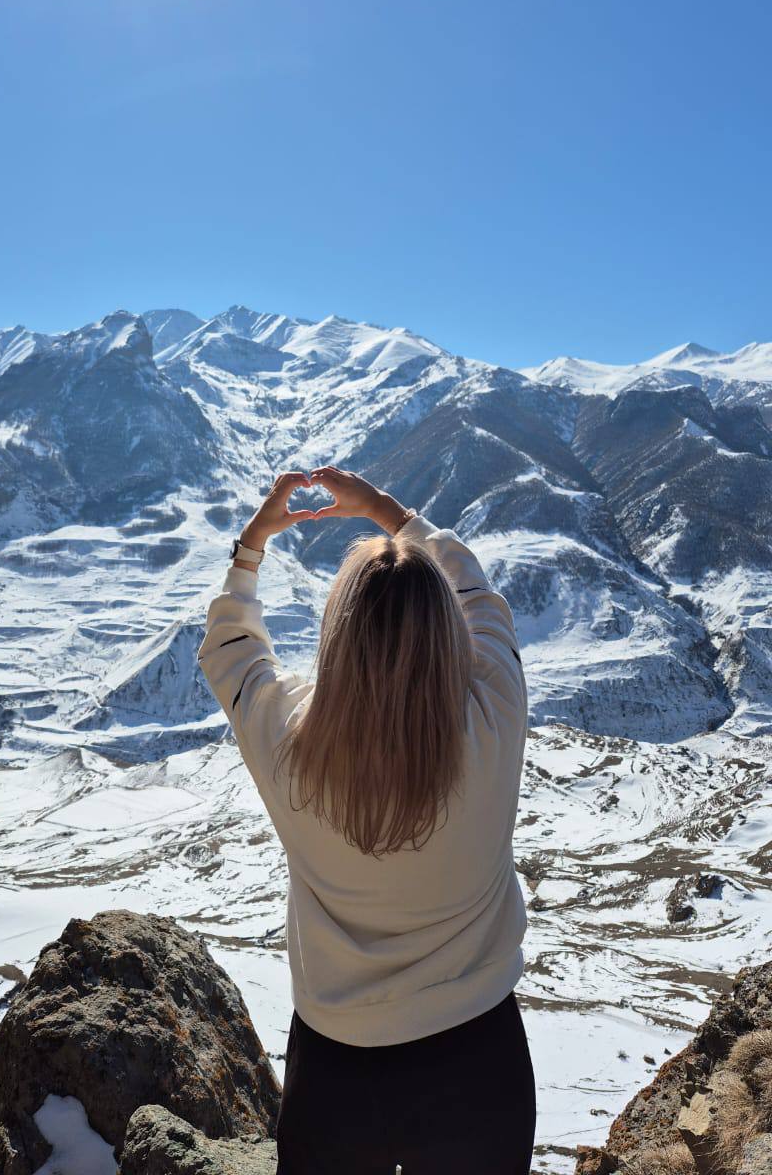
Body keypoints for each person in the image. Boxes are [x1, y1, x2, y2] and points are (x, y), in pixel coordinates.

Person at [197, 465, 535, 1174]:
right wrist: (387, 513)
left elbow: (232, 650)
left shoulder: (289, 745)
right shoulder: (495, 714)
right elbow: (476, 590)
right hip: (480, 1063)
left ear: (336, 639)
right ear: (447, 634)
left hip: (338, 1069)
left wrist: (252, 545)